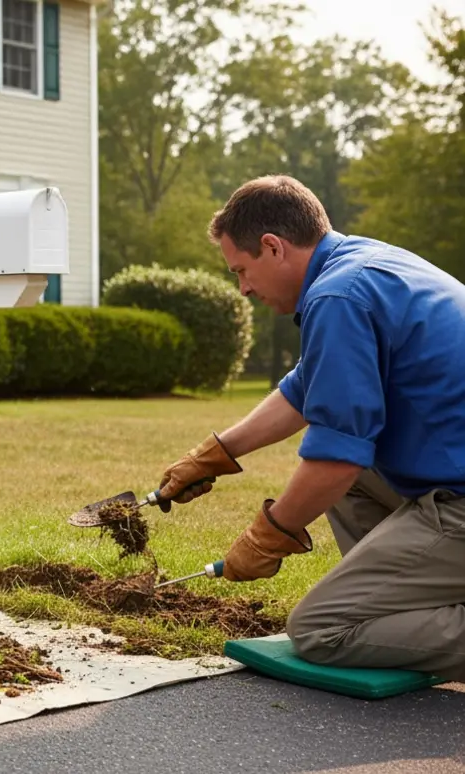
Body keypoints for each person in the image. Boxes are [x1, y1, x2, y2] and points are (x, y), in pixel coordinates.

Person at [156, 175, 465, 680]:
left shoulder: (337, 297)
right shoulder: (363, 265)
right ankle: (410, 596)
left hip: (458, 502)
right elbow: (307, 387)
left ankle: (392, 607)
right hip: (449, 479)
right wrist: (217, 452)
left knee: (321, 630)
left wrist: (268, 537)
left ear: (273, 246)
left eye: (241, 270)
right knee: (349, 482)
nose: (244, 287)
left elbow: (338, 458)